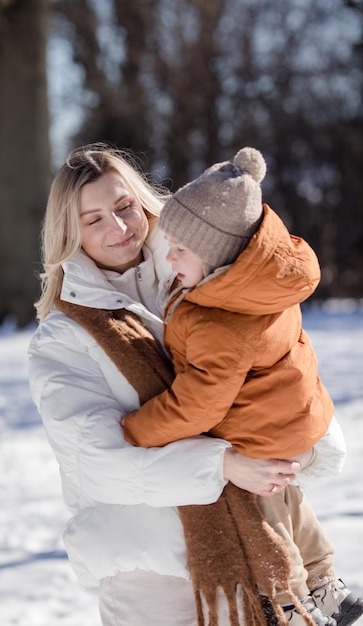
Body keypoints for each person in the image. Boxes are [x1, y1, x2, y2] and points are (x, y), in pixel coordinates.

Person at [28, 144, 353, 626]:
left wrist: (294, 444)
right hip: (150, 579)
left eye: (124, 208)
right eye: (93, 219)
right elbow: (96, 461)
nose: (118, 228)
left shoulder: (208, 279)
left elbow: (283, 369)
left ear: (143, 203)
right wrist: (224, 464)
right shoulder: (63, 339)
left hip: (254, 561)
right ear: (69, 231)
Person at [121, 147, 363, 626]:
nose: (169, 259)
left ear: (216, 257)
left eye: (181, 250)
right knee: (291, 496)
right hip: (292, 417)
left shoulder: (219, 322)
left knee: (264, 515)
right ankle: (327, 582)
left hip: (258, 431)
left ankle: (290, 601)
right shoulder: (263, 286)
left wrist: (138, 429)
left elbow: (198, 405)